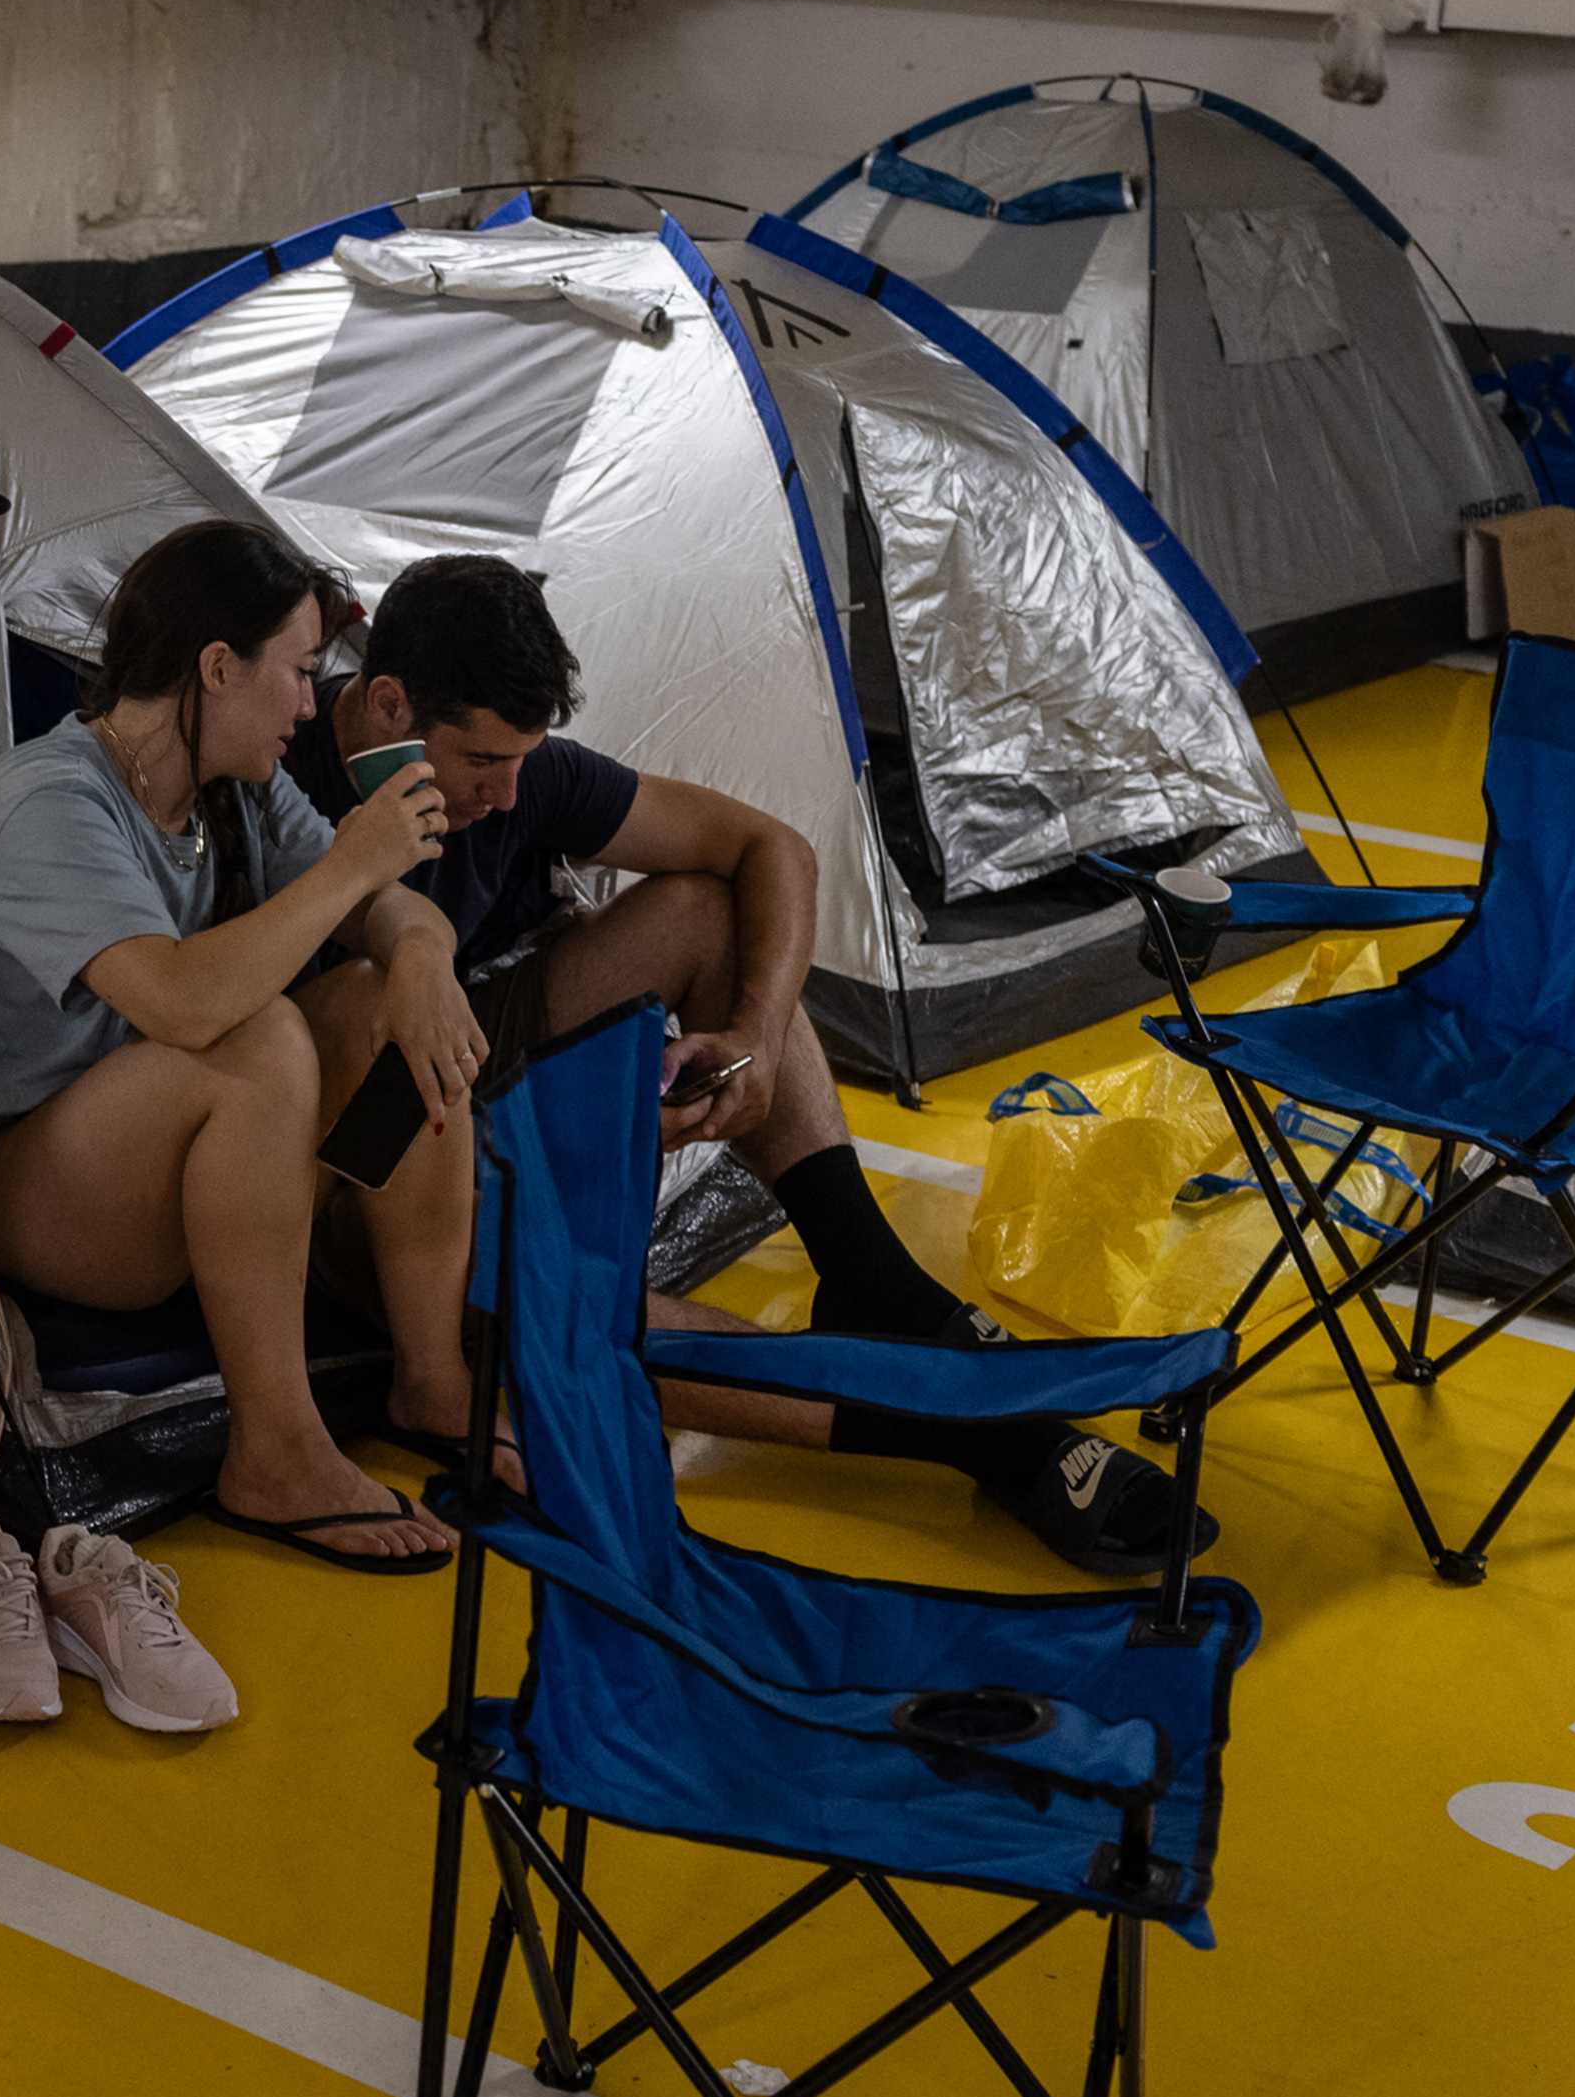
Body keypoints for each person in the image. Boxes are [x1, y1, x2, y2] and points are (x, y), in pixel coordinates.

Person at [295, 554, 1196, 1576]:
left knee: (707, 909)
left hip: (468, 1054)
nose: (504, 796)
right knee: (543, 1278)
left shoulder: (518, 778)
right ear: (388, 705)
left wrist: (758, 1040)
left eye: (520, 762)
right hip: (362, 1161)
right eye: (481, 762)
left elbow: (774, 848)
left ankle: (868, 1270)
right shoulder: (281, 784)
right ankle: (974, 1437)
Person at [0, 521, 468, 1579]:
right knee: (260, 1038)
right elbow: (183, 1004)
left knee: (378, 1005)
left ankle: (432, 1380)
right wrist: (352, 870)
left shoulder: (233, 792)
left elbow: (393, 915)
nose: (309, 707)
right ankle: (277, 1453)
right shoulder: (49, 803)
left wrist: (423, 962)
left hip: (156, 1151)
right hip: (15, 1189)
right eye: (298, 672)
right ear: (217, 667)